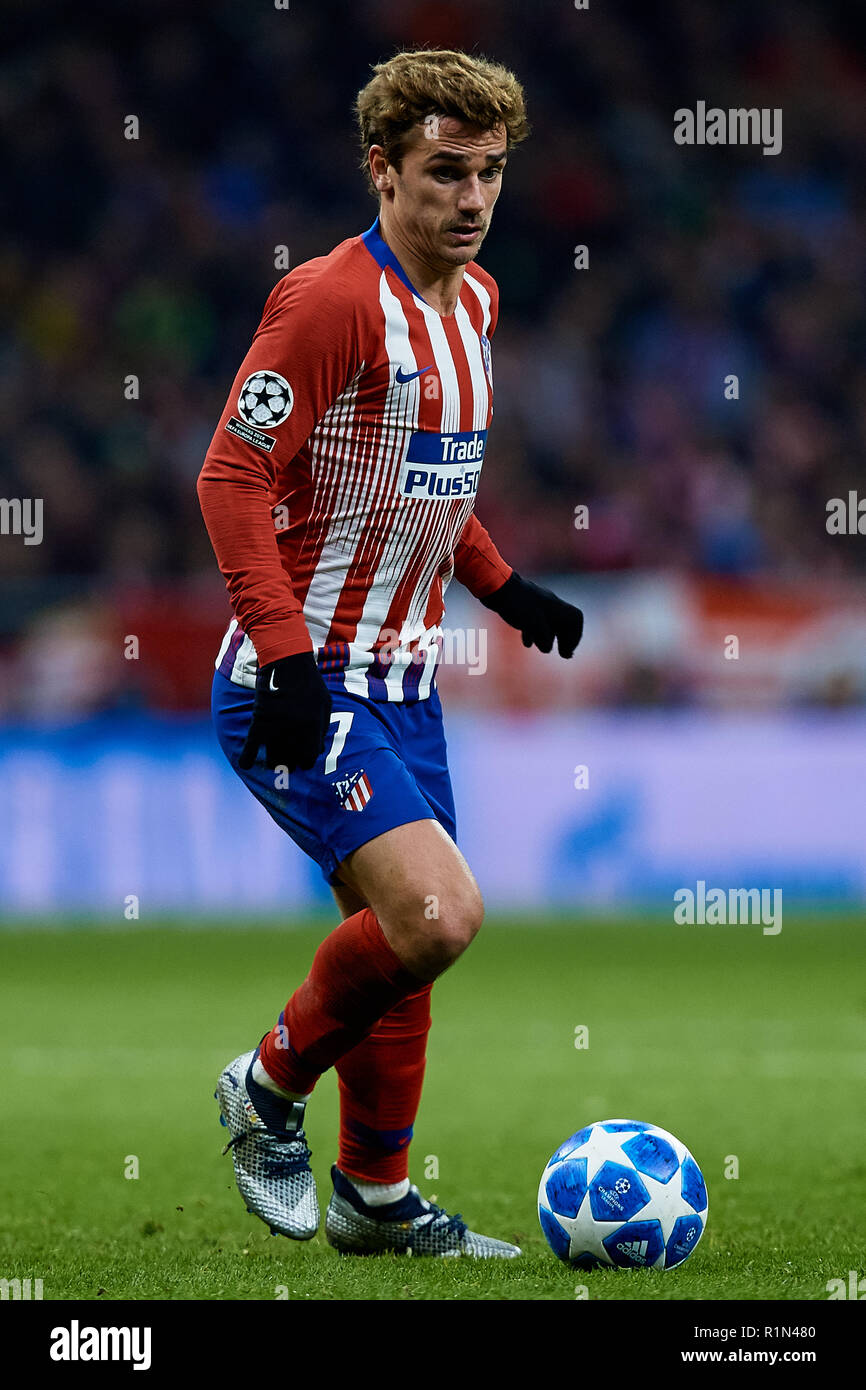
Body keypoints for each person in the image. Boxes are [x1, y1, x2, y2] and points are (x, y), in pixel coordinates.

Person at [197, 47, 583, 1258]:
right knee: (436, 917)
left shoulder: (475, 304)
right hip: (296, 684)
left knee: (401, 961)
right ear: (381, 170)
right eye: (443, 173)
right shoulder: (326, 301)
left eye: (488, 174)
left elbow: (425, 486)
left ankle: (372, 1199)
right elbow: (231, 474)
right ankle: (262, 1089)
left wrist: (504, 586)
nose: (470, 200)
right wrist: (286, 656)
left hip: (404, 684)